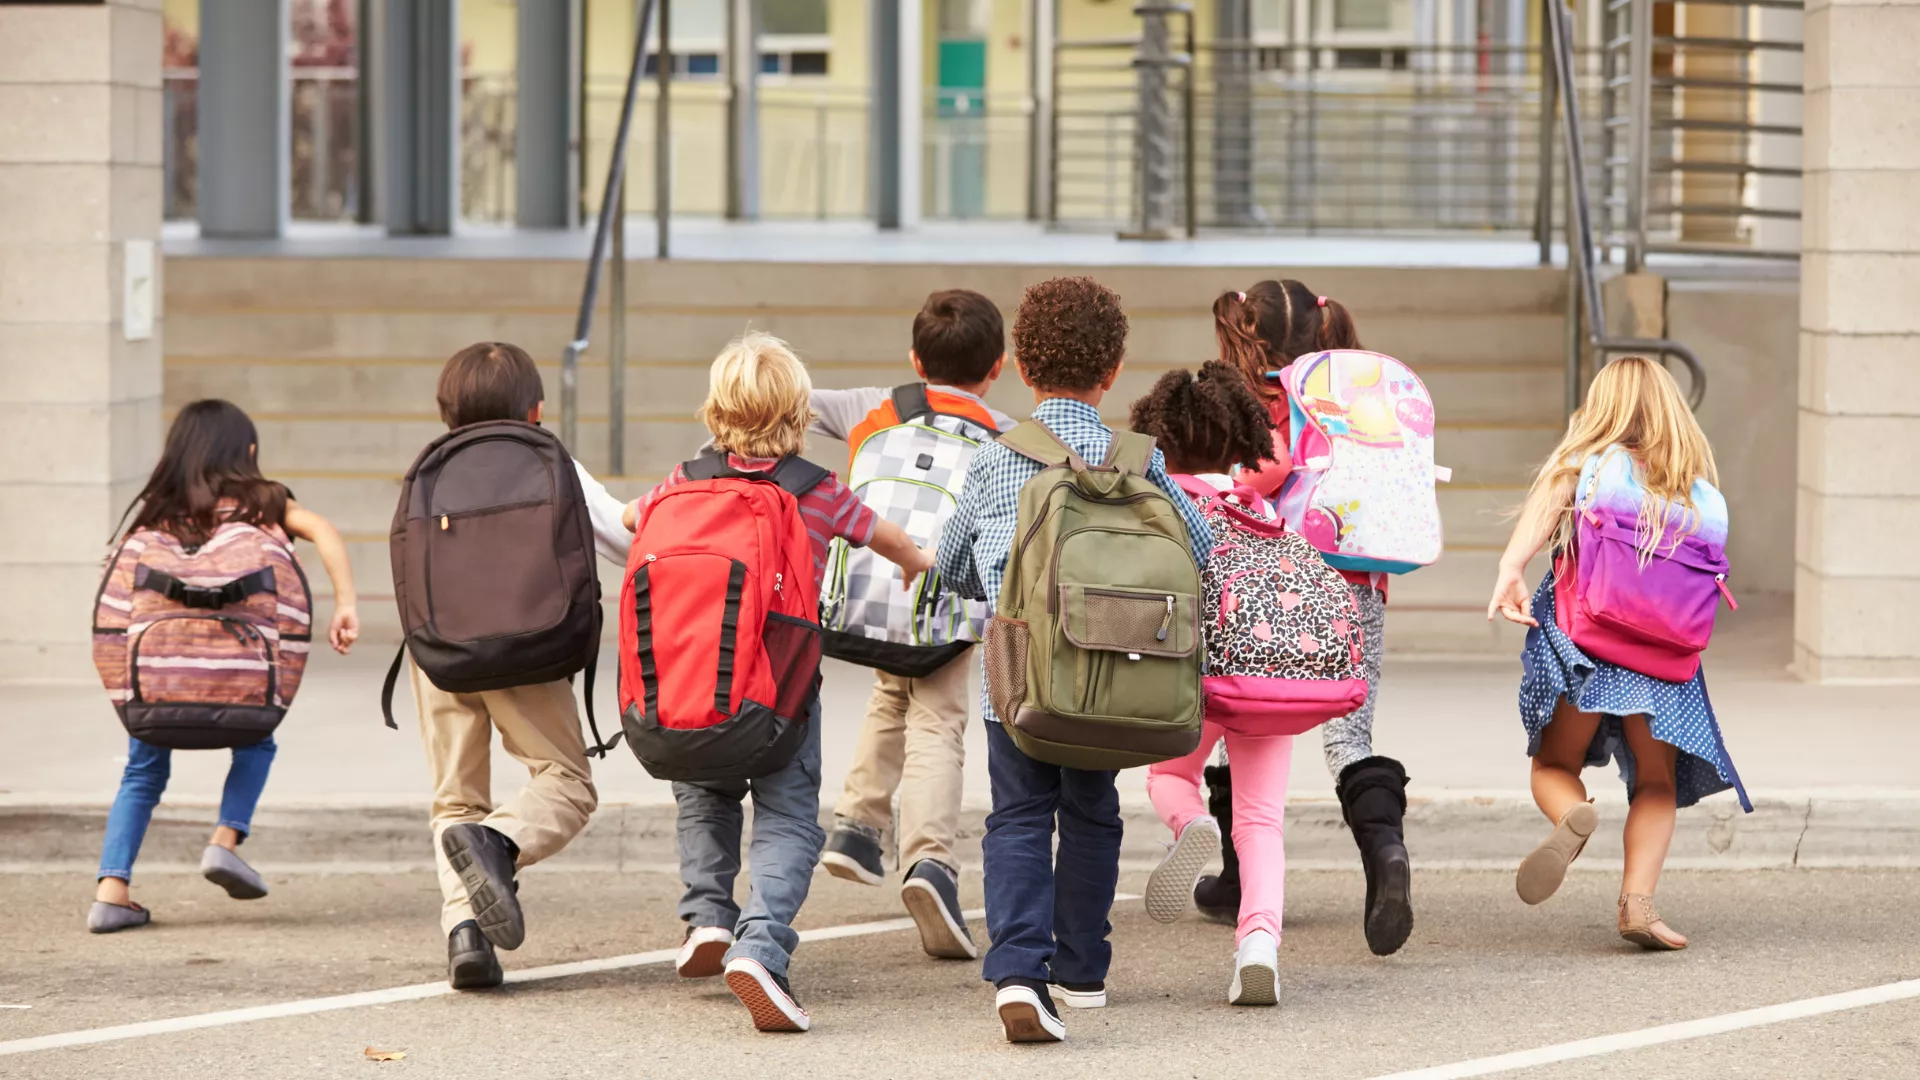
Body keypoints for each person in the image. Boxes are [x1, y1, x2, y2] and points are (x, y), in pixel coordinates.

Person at [625, 331, 935, 1033]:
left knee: (704, 795)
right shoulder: (816, 491)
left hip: (693, 690)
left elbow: (629, 519)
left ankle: (706, 916)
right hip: (780, 699)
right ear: (799, 415)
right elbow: (882, 535)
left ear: (715, 411)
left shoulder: (683, 480)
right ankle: (760, 945)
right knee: (789, 815)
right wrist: (917, 560)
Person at [937, 277, 1213, 1043]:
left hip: (1020, 681)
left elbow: (953, 563)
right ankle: (1083, 970)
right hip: (1115, 677)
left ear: (1022, 366)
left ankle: (1020, 972)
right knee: (1092, 814)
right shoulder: (1140, 462)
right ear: (1113, 368)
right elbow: (1205, 550)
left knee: (1018, 816)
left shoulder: (999, 460)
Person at [1487, 355, 1749, 951]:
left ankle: (1571, 815)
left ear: (1602, 407)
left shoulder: (1590, 466)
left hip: (1588, 644)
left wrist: (1510, 568)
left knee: (1555, 765)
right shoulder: (1696, 492)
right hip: (1665, 658)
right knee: (1656, 782)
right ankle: (1639, 906)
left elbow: (1549, 499)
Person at [408, 342, 633, 990]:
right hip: (527, 650)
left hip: (439, 652)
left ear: (446, 408)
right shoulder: (549, 461)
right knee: (566, 781)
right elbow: (624, 539)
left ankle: (465, 934)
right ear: (536, 409)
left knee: (455, 799)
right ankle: (499, 845)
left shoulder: (432, 469)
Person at [88, 399, 360, 933]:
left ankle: (111, 890)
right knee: (257, 741)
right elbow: (324, 531)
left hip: (160, 679)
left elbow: (116, 604)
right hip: (242, 680)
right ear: (249, 452)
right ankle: (225, 840)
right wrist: (346, 602)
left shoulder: (156, 511)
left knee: (142, 771)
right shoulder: (264, 503)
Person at [1202, 280, 1416, 959]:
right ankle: (1385, 852)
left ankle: (1241, 877)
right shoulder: (1355, 402)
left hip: (1269, 586)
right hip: (1354, 585)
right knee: (1350, 739)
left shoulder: (1249, 406)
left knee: (1242, 719)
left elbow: (1253, 477)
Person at [814, 289, 1017, 961]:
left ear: (913, 358)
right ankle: (929, 862)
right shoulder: (1005, 434)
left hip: (868, 591)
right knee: (938, 723)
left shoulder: (872, 406)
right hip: (943, 596)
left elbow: (791, 400)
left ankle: (856, 824)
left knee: (890, 688)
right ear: (998, 367)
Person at [1130, 363, 1303, 1005]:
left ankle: (1191, 824)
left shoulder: (1159, 502)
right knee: (1261, 820)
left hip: (1188, 676)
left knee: (1171, 776)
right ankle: (1258, 945)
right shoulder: (1259, 508)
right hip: (1264, 681)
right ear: (1238, 440)